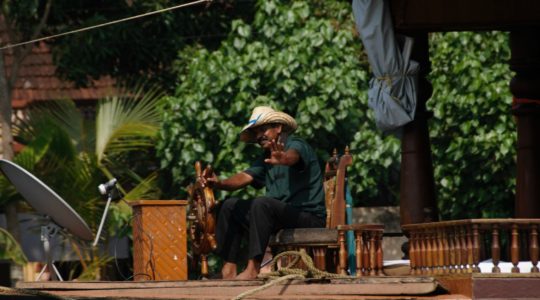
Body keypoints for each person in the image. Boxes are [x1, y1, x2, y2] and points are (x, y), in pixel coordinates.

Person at [203, 106, 326, 280]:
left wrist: (284, 159)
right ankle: (228, 268)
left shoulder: (297, 144)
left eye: (263, 129)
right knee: (230, 205)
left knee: (261, 203)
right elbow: (243, 178)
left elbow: (293, 156)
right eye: (256, 132)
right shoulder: (266, 157)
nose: (259, 135)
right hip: (279, 217)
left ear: (278, 128)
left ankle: (253, 268)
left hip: (309, 217)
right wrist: (220, 183)